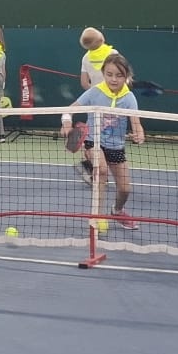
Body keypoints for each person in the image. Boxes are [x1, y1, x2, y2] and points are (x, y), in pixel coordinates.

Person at [62, 51, 144, 229]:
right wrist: (67, 124)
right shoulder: (94, 92)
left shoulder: (129, 98)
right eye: (109, 74)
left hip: (116, 147)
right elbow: (68, 110)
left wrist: (139, 134)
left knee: (125, 189)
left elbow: (136, 123)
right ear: (103, 73)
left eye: (119, 75)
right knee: (102, 171)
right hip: (94, 142)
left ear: (126, 76)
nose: (113, 79)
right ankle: (97, 216)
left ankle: (117, 211)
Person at [74, 27, 119, 176]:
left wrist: (94, 93)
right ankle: (97, 167)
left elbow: (84, 83)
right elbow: (123, 76)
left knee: (92, 137)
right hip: (112, 103)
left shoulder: (86, 58)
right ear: (101, 39)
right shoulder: (113, 54)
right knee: (108, 137)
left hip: (95, 104)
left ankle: (92, 163)